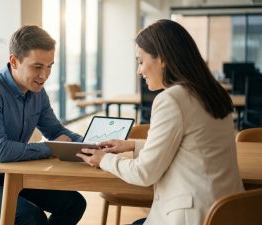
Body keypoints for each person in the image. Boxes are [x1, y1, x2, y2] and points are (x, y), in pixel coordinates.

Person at [77, 19, 244, 225]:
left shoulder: (172, 99)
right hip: (227, 212)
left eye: (140, 61)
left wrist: (103, 159)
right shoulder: (214, 93)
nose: (139, 71)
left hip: (190, 216)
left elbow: (144, 173)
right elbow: (192, 149)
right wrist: (132, 144)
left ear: (162, 58)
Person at [0, 25, 86, 225]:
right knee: (31, 218)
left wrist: (91, 143)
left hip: (12, 177)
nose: (45, 75)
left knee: (73, 203)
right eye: (37, 66)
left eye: (50, 66)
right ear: (14, 61)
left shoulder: (37, 93)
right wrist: (51, 148)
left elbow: (56, 131)